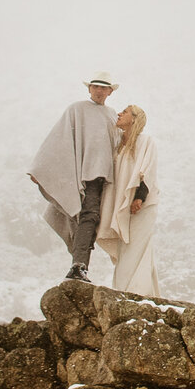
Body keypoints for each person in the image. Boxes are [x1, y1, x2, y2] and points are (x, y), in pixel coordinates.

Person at [29, 72, 118, 283]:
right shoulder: (77, 110)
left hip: (106, 179)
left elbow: (119, 146)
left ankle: (79, 266)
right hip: (85, 177)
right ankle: (79, 266)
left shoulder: (112, 115)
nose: (98, 91)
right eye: (95, 87)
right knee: (88, 217)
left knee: (91, 221)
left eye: (103, 88)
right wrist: (40, 169)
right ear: (89, 89)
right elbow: (59, 139)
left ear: (110, 92)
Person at [98, 103, 162, 296]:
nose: (119, 114)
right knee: (126, 246)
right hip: (122, 205)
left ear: (134, 118)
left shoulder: (145, 141)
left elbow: (148, 169)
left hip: (141, 204)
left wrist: (139, 197)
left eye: (124, 112)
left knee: (136, 246)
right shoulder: (118, 146)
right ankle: (141, 292)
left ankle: (134, 292)